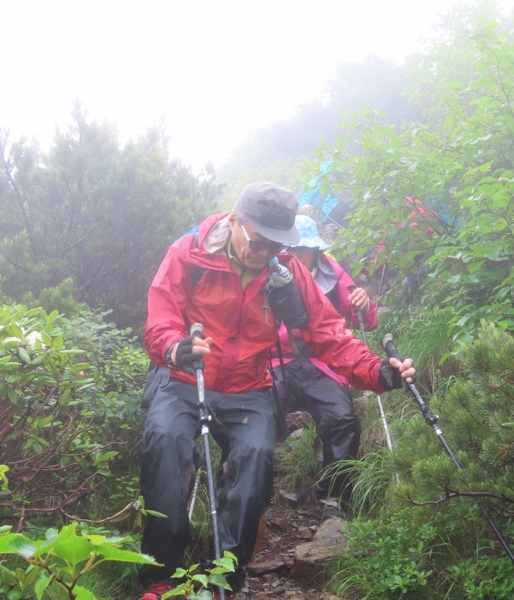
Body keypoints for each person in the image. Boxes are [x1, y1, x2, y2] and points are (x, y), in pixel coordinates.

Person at [139, 181, 416, 600]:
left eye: (275, 244)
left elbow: (327, 333)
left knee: (255, 462)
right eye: (259, 241)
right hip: (182, 378)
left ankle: (225, 579)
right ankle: (162, 576)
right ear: (234, 221)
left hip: (248, 387)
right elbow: (160, 315)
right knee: (165, 444)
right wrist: (173, 347)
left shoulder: (284, 271)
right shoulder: (188, 255)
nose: (267, 252)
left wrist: (379, 372)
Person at [271, 215, 378, 519]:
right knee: (255, 417)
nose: (293, 254)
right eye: (289, 247)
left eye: (300, 248)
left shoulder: (333, 272)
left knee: (342, 418)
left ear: (315, 250)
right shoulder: (269, 268)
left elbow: (366, 320)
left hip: (322, 362)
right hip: (276, 360)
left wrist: (363, 303)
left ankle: (334, 498)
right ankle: (251, 500)